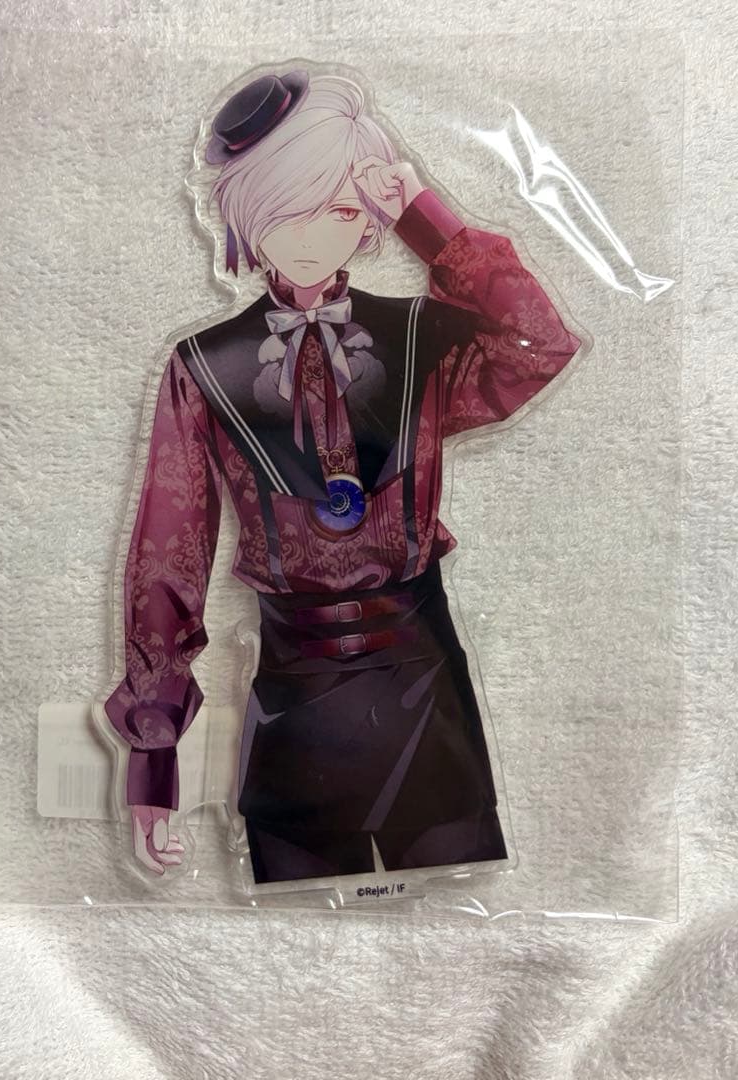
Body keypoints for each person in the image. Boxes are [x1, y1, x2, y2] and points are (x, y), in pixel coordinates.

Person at [98, 70, 582, 884]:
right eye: (289, 206)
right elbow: (167, 555)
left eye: (342, 209)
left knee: (446, 922)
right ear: (248, 210)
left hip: (425, 682)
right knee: (301, 933)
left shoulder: (417, 336)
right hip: (294, 697)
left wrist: (425, 216)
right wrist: (153, 758)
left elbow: (539, 344)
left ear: (367, 223)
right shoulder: (204, 367)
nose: (313, 235)